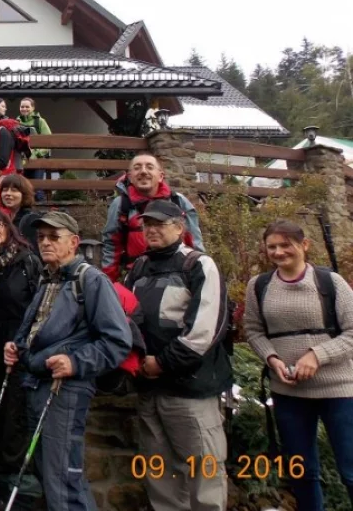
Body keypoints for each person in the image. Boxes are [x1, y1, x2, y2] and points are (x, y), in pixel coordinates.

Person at [4, 212, 131, 511]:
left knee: (62, 476)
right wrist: (17, 348)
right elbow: (36, 332)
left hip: (65, 389)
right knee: (52, 472)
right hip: (38, 383)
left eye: (53, 237)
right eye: (41, 237)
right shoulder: (49, 279)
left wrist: (76, 362)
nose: (45, 242)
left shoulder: (91, 280)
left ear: (73, 242)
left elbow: (117, 340)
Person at [124, 199, 231, 511]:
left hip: (190, 390)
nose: (151, 230)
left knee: (204, 470)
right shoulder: (138, 268)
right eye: (147, 225)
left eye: (160, 224)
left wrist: (162, 363)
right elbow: (126, 318)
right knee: (159, 473)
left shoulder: (199, 265)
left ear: (180, 228)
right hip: (149, 388)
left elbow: (205, 329)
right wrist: (137, 360)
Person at [244, 219, 353, 511]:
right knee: (302, 473)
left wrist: (317, 355)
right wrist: (272, 359)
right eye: (272, 247)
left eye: (286, 245)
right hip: (288, 394)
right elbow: (253, 331)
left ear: (304, 245)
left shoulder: (330, 283)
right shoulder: (259, 286)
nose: (279, 252)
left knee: (351, 470)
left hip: (339, 392)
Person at [0, 209, 42, 509]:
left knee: (14, 417)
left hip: (19, 350)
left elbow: (39, 307)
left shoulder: (26, 261)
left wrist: (25, 344)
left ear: (9, 227)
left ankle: (20, 490)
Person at [101, 153, 204, 281]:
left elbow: (194, 241)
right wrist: (109, 282)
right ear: (130, 177)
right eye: (137, 167)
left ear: (161, 176)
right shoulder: (121, 205)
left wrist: (199, 272)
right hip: (136, 276)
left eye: (149, 167)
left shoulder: (178, 201)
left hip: (177, 275)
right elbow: (111, 244)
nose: (143, 171)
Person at [0, 173, 43, 245]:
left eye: (14, 190)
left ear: (24, 194)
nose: (8, 193)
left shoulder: (30, 219)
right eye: (5, 190)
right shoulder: (6, 217)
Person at [18, 97, 52, 182]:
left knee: (37, 187)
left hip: (38, 159)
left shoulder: (40, 121)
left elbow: (48, 140)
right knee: (23, 186)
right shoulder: (16, 122)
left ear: (33, 108)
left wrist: (37, 154)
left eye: (27, 107)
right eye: (22, 107)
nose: (24, 109)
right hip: (22, 160)